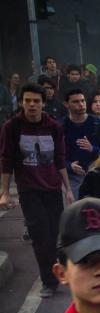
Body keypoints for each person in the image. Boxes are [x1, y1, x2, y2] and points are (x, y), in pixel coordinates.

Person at [0, 83, 75, 297]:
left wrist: (68, 189)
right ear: (22, 102)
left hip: (52, 188)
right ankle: (48, 282)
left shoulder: (54, 127)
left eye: (36, 101)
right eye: (28, 101)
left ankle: (62, 270)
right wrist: (4, 191)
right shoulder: (11, 127)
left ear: (43, 103)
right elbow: (6, 161)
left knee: (56, 234)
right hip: (29, 190)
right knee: (40, 235)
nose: (32, 105)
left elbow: (60, 160)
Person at [62, 89, 100, 198]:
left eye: (83, 101)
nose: (81, 104)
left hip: (96, 175)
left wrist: (92, 149)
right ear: (66, 104)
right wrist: (69, 165)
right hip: (70, 178)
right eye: (76, 102)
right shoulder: (61, 126)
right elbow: (55, 155)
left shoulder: (99, 124)